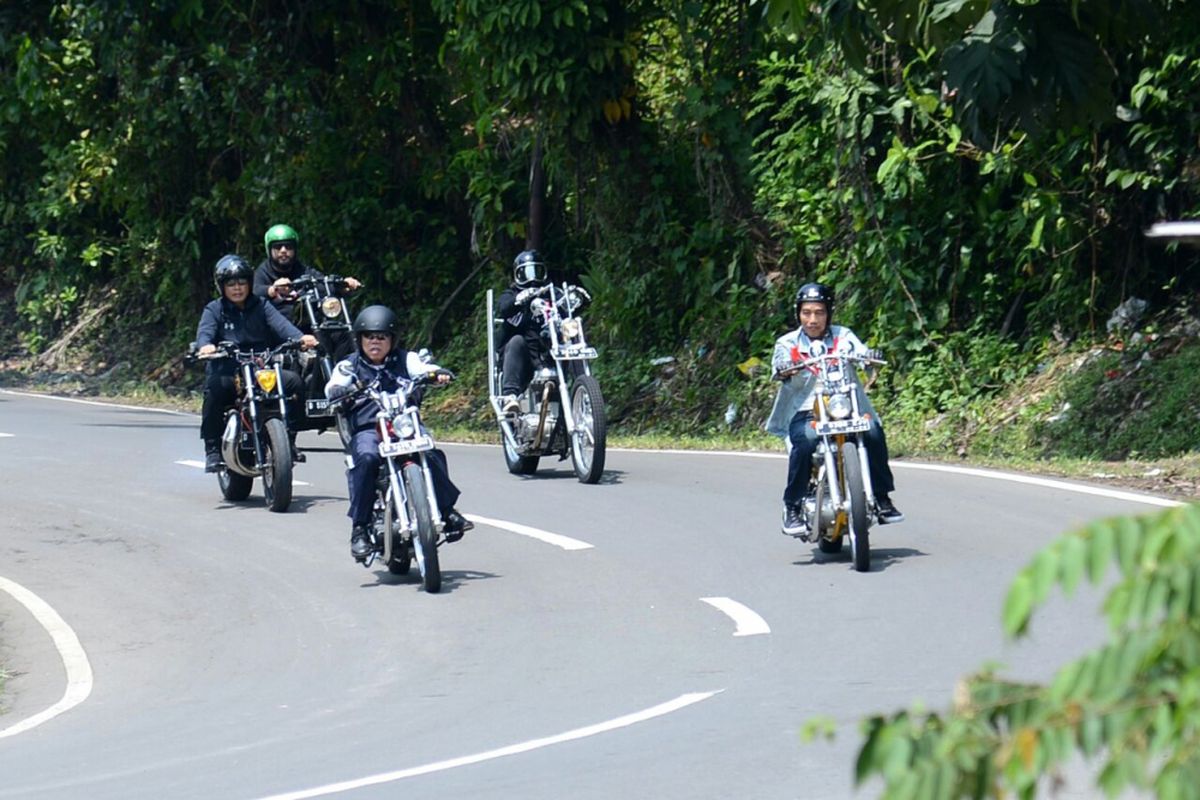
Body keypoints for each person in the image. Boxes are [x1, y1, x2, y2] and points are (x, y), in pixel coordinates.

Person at [325, 304, 473, 562]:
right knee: (367, 459)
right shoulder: (349, 366)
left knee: (431, 452)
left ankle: (447, 511)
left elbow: (424, 369)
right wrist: (339, 391)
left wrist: (436, 374)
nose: (375, 342)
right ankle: (359, 528)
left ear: (392, 340)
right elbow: (333, 387)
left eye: (381, 337)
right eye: (369, 336)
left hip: (405, 425)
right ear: (360, 339)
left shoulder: (406, 359)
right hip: (369, 428)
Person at [765, 282, 904, 538]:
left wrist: (869, 357)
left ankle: (883, 499)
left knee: (873, 431)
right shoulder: (787, 343)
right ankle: (792, 505)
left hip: (846, 408)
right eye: (806, 313)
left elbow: (862, 354)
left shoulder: (843, 336)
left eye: (819, 312)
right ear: (798, 313)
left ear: (829, 312)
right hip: (806, 411)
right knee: (805, 443)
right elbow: (778, 367)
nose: (812, 319)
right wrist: (786, 367)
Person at [195, 255, 318, 472]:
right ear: (221, 286)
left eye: (242, 282)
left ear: (249, 283)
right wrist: (206, 346)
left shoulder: (262, 305)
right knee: (215, 389)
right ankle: (212, 449)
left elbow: (282, 327)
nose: (237, 288)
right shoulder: (214, 309)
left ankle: (288, 439)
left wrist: (301, 338)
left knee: (294, 383)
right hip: (229, 369)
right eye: (231, 284)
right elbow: (205, 333)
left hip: (261, 366)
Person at [253, 223, 362, 327]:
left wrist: (343, 285)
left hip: (308, 322)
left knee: (339, 334)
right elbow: (254, 291)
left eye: (288, 247)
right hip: (279, 327)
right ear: (270, 250)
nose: (283, 251)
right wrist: (272, 290)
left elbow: (321, 281)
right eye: (278, 247)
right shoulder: (264, 271)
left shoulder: (301, 269)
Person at [495, 249, 552, 414]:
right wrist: (520, 299)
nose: (532, 277)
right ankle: (510, 396)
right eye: (527, 272)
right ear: (517, 275)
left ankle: (581, 386)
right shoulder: (511, 294)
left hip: (546, 351)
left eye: (537, 271)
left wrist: (574, 298)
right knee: (516, 340)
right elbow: (503, 308)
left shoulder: (550, 294)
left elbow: (566, 306)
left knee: (569, 335)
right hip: (523, 357)